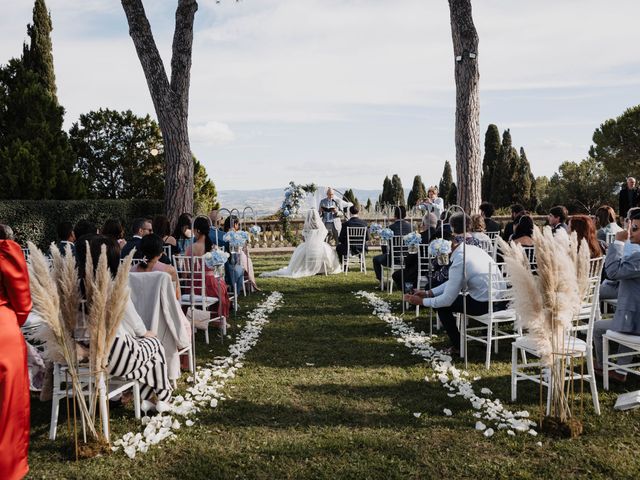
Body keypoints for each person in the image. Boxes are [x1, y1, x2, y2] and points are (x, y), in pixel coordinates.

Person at [77, 235, 173, 411]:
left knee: (144, 352)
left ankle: (118, 397)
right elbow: (133, 319)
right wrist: (145, 333)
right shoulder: (113, 285)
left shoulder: (75, 286)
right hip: (114, 357)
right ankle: (160, 398)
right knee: (155, 346)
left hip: (81, 357)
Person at [404, 213, 507, 354]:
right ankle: (459, 344)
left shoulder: (459, 258)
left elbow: (447, 299)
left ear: (450, 245)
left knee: (442, 307)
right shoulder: (472, 249)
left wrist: (422, 302)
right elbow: (453, 283)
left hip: (485, 304)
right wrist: (429, 293)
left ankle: (458, 346)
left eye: (441, 253)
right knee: (444, 301)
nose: (441, 257)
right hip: (501, 300)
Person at [593, 209, 640, 382]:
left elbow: (613, 272)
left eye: (634, 228)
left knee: (597, 328)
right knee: (622, 321)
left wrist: (618, 243)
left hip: (634, 321)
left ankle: (601, 366)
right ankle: (621, 370)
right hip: (633, 314)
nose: (629, 231)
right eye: (630, 226)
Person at [0, 235, 32, 480]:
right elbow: (22, 303)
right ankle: (7, 468)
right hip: (2, 331)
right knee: (8, 403)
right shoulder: (5, 250)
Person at [261, 209, 342, 278]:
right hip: (320, 248)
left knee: (301, 253)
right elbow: (325, 233)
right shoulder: (321, 228)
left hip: (309, 248)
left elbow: (304, 238)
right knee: (329, 253)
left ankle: (306, 268)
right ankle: (323, 269)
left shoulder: (306, 228)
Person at [185, 217, 231, 319]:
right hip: (212, 286)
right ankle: (216, 317)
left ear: (197, 230)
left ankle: (196, 316)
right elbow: (219, 272)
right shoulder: (213, 247)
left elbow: (186, 272)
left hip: (194, 287)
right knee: (221, 286)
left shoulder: (190, 248)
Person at [392, 212, 439, 290]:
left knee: (397, 275)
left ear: (424, 223)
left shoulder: (418, 238)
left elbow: (410, 259)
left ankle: (409, 293)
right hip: (438, 271)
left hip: (418, 272)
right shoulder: (442, 236)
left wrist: (407, 264)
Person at [373, 206, 412, 282]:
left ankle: (381, 281)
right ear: (405, 215)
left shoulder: (389, 228)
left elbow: (384, 245)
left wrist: (385, 253)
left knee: (376, 259)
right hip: (407, 259)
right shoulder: (410, 227)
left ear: (395, 215)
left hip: (392, 259)